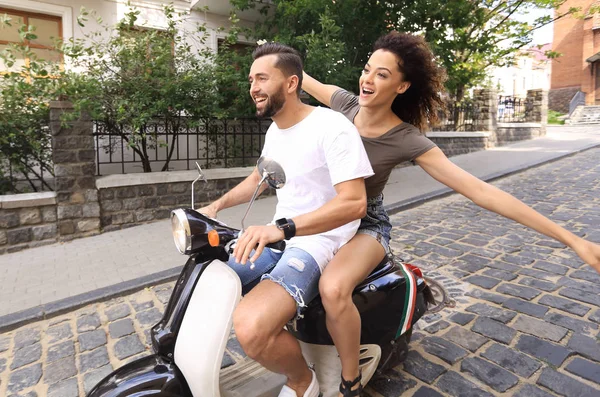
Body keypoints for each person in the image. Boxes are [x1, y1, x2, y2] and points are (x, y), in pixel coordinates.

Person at [302, 31, 600, 396]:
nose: (368, 79)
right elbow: (298, 77)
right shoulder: (344, 105)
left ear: (402, 86)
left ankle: (349, 380)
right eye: (368, 69)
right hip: (326, 214)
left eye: (382, 74)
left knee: (333, 289)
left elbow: (479, 190)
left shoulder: (405, 137)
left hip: (366, 223)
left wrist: (573, 240)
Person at [199, 43, 374, 397]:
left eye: (262, 78)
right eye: (251, 79)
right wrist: (214, 207)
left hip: (319, 241)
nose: (253, 87)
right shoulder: (275, 132)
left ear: (292, 82)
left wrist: (281, 229)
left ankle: (301, 381)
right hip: (281, 235)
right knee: (207, 280)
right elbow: (257, 179)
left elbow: (355, 203)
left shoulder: (332, 127)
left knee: (250, 327)